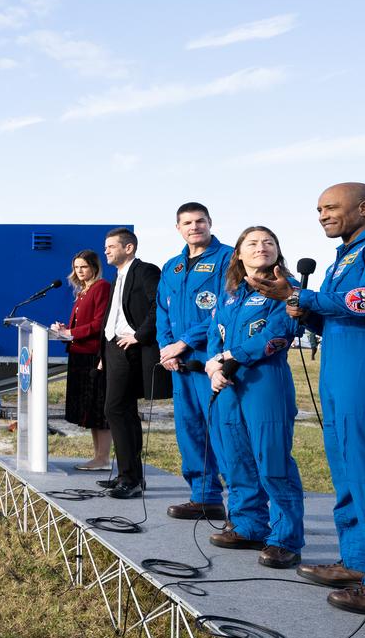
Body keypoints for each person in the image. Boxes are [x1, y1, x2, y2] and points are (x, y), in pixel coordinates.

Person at [250, 184, 365, 607]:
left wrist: (300, 296)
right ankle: (359, 558)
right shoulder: (343, 256)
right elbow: (336, 314)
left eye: (331, 207)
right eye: (319, 209)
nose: (323, 215)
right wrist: (307, 312)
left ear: (364, 207)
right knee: (346, 466)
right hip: (337, 368)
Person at [204, 226, 304, 569]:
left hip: (265, 381)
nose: (262, 247)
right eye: (253, 243)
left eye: (269, 242)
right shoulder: (229, 292)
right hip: (229, 384)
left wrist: (231, 358)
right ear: (238, 254)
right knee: (237, 457)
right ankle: (249, 524)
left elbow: (280, 334)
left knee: (272, 461)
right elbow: (213, 333)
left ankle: (285, 539)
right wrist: (214, 366)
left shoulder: (288, 290)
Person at [154, 202, 234, 521]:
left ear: (210, 223)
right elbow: (162, 310)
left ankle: (244, 505)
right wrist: (166, 348)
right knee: (189, 429)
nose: (194, 227)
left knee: (222, 429)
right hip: (179, 364)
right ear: (178, 228)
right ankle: (204, 496)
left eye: (200, 221)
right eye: (187, 222)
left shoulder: (227, 258)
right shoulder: (171, 266)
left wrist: (183, 343)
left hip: (210, 359)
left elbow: (226, 309)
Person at [98, 228, 167, 498]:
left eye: (111, 246)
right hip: (113, 348)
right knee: (123, 412)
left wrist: (139, 335)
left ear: (129, 248)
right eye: (105, 247)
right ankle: (129, 476)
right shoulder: (118, 276)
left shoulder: (146, 271)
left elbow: (158, 306)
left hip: (131, 348)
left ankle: (130, 478)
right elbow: (114, 315)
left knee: (114, 409)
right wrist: (104, 354)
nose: (106, 251)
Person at [51, 250, 113, 469]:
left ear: (94, 267)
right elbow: (80, 325)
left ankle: (103, 457)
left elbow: (99, 324)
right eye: (76, 267)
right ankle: (98, 456)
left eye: (84, 267)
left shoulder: (101, 287)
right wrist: (64, 331)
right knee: (89, 408)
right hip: (78, 354)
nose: (79, 271)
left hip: (93, 355)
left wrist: (72, 333)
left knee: (98, 406)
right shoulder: (82, 292)